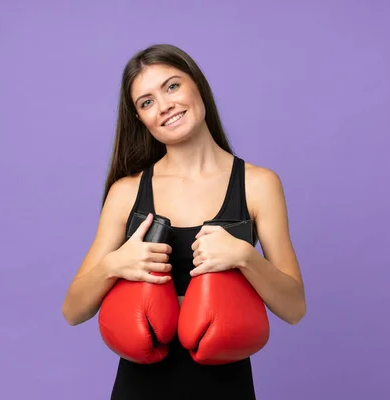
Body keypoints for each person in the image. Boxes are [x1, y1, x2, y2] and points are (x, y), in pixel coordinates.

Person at [61, 44, 306, 399]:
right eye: (146, 102)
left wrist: (245, 257)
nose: (164, 106)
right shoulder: (127, 192)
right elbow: (73, 311)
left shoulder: (257, 184)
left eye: (172, 86)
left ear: (197, 86)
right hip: (139, 388)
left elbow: (295, 309)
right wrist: (114, 265)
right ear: (140, 119)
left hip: (226, 387)